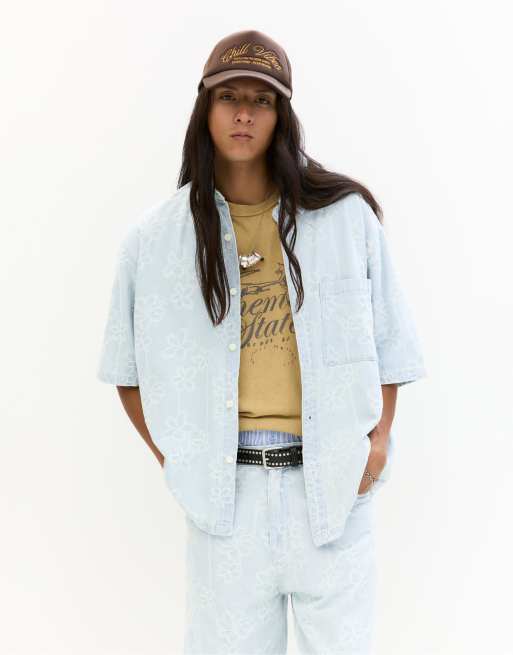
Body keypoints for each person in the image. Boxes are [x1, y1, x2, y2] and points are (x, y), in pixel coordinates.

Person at [97, 28, 427, 655]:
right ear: (206, 109)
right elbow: (126, 370)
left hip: (333, 489)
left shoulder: (344, 218)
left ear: (282, 117)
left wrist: (378, 445)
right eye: (229, 97)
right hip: (226, 504)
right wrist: (181, 460)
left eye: (262, 100)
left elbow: (391, 345)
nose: (244, 113)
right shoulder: (155, 240)